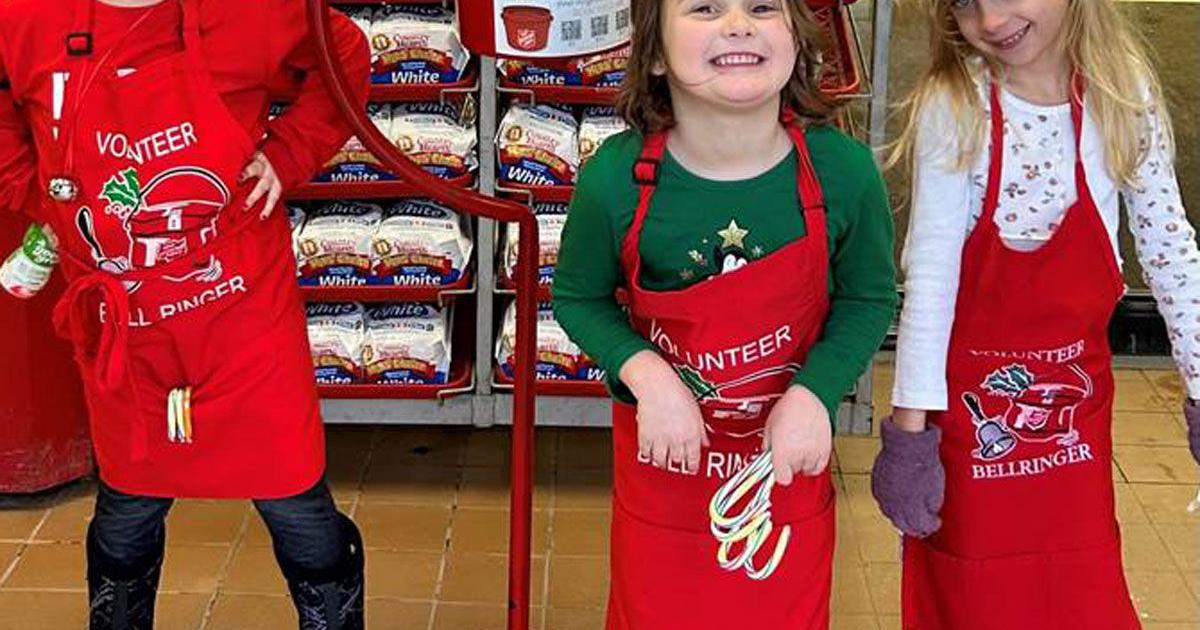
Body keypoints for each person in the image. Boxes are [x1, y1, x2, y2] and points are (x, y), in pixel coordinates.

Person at [0, 0, 370, 627]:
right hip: (124, 330)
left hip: (242, 316)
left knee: (296, 504)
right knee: (128, 511)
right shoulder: (26, 17)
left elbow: (346, 59)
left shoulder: (254, 10)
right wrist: (33, 193)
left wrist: (289, 154)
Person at [552, 0, 896, 627]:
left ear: (798, 40)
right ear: (654, 53)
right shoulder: (614, 181)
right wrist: (647, 375)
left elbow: (868, 298)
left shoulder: (843, 175)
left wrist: (815, 395)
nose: (738, 23)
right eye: (705, 8)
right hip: (665, 475)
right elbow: (578, 297)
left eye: (763, 7)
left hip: (784, 474)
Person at [871, 0, 1200, 628]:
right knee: (973, 590)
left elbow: (1170, 249)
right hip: (967, 426)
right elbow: (932, 278)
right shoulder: (955, 102)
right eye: (964, 4)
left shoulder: (1121, 88)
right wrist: (909, 438)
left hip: (1072, 420)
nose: (991, 21)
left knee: (1077, 582)